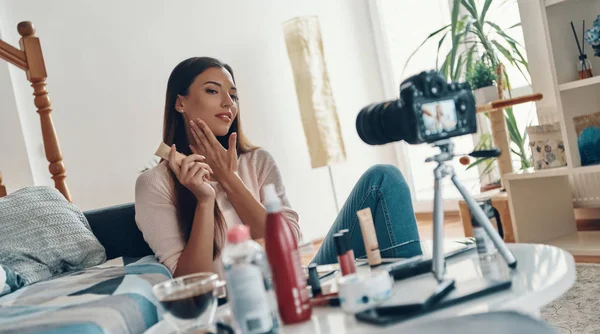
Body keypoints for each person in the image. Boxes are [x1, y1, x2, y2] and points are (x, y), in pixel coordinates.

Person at [135, 57, 420, 277]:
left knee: (383, 179)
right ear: (180, 103)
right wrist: (205, 201)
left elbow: (288, 245)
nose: (228, 103)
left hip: (294, 283)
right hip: (236, 305)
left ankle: (419, 300)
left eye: (234, 96)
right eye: (213, 91)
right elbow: (192, 286)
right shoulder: (155, 183)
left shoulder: (257, 161)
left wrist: (229, 180)